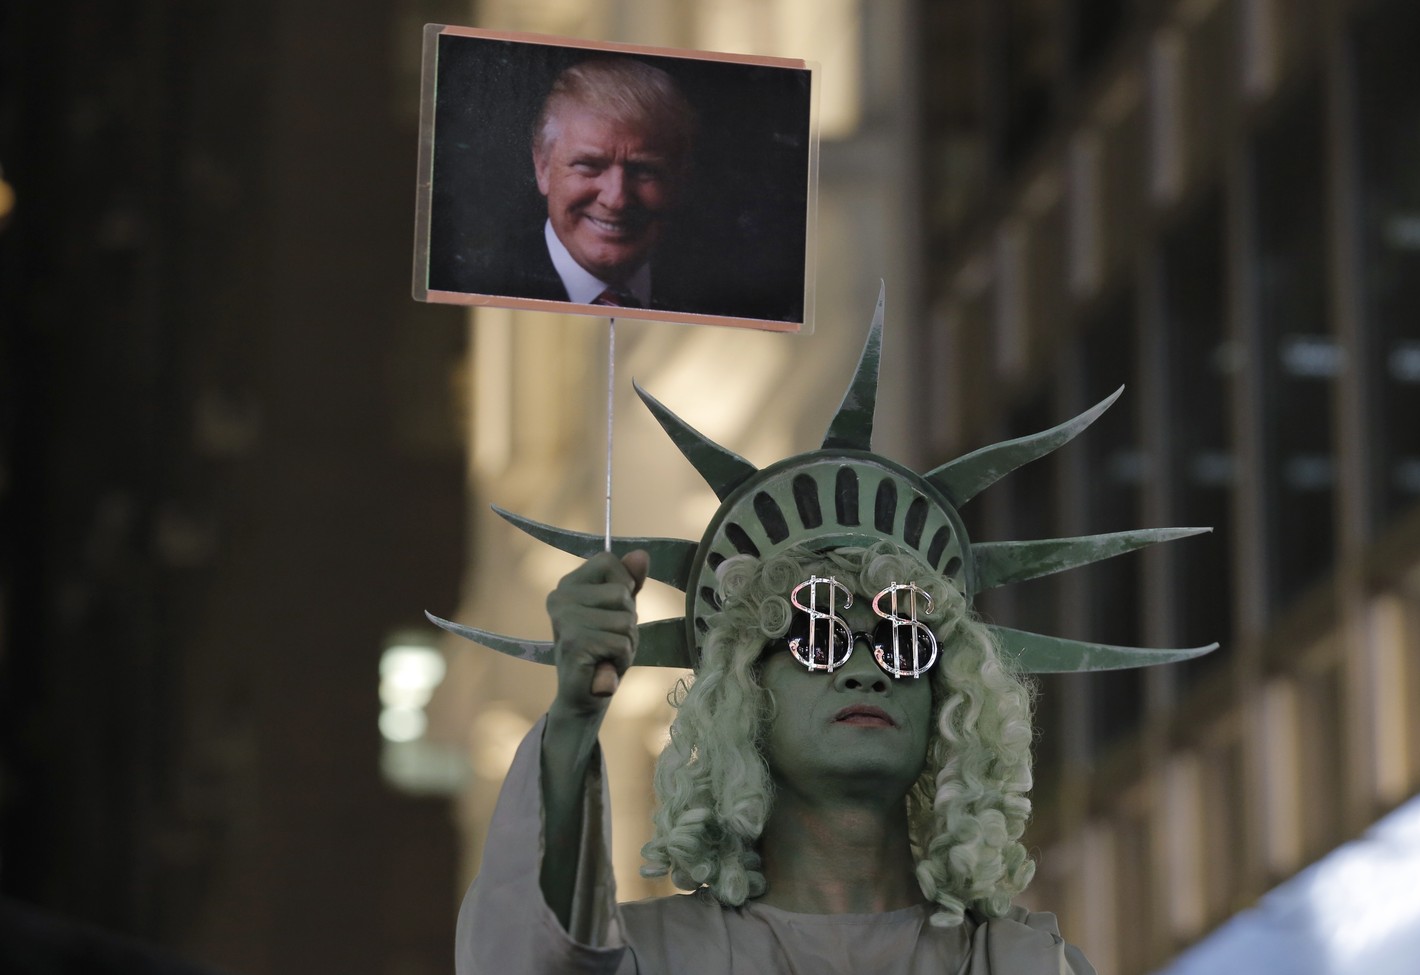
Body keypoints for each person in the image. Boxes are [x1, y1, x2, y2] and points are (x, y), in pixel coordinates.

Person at [438, 297, 1213, 972]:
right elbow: (519, 961)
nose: (867, 668)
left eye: (904, 639)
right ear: (745, 689)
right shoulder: (655, 957)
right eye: (816, 633)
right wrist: (575, 717)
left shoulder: (1022, 965)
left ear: (949, 696)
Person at [509, 58, 696, 309]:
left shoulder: (715, 294)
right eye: (589, 166)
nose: (616, 199)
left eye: (643, 170)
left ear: (678, 178)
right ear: (542, 167)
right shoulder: (483, 284)